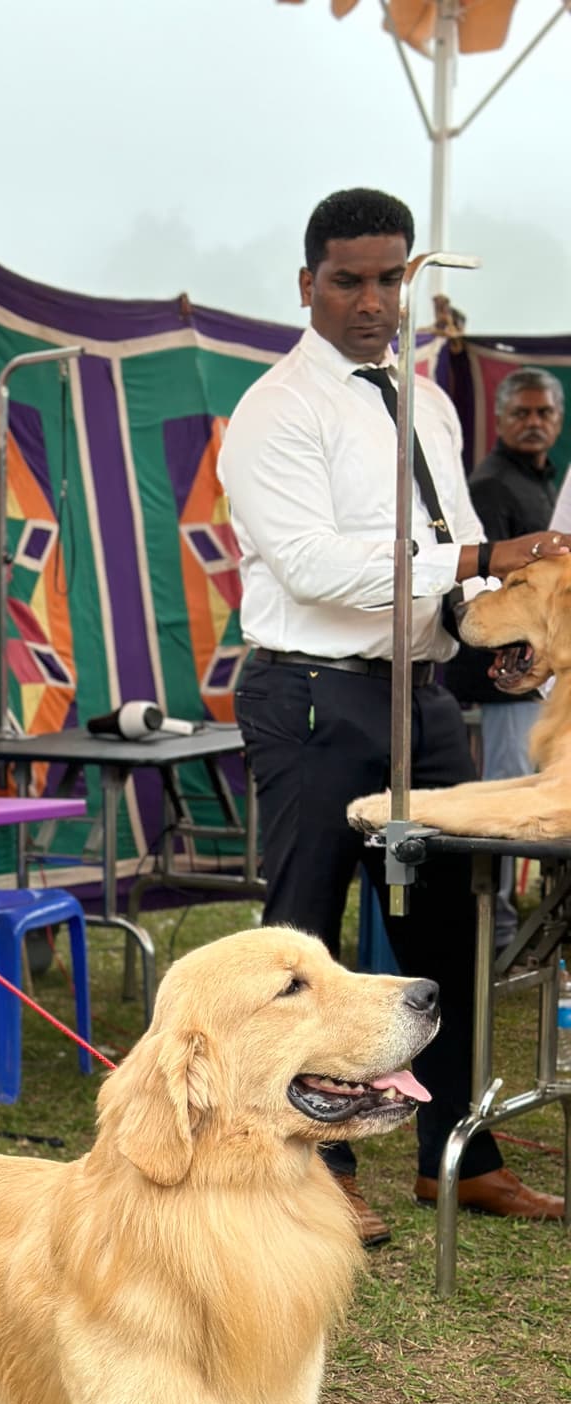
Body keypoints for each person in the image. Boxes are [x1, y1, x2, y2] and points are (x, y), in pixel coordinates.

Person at [219, 186, 566, 1249]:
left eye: (389, 280)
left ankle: (459, 1153)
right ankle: (309, 1165)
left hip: (425, 702)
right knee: (307, 948)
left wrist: (506, 624)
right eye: (348, 281)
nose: (372, 301)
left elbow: (453, 560)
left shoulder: (433, 401)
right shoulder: (277, 409)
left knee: (446, 940)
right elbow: (319, 568)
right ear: (308, 284)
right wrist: (478, 561)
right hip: (317, 695)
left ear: (411, 280)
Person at [456, 368, 563, 946]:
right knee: (506, 798)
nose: (533, 422)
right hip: (504, 679)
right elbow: (487, 590)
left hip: (537, 673)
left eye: (544, 412)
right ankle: (493, 935)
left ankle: (514, 925)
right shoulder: (492, 485)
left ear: (559, 418)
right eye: (521, 412)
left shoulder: (543, 484)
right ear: (500, 419)